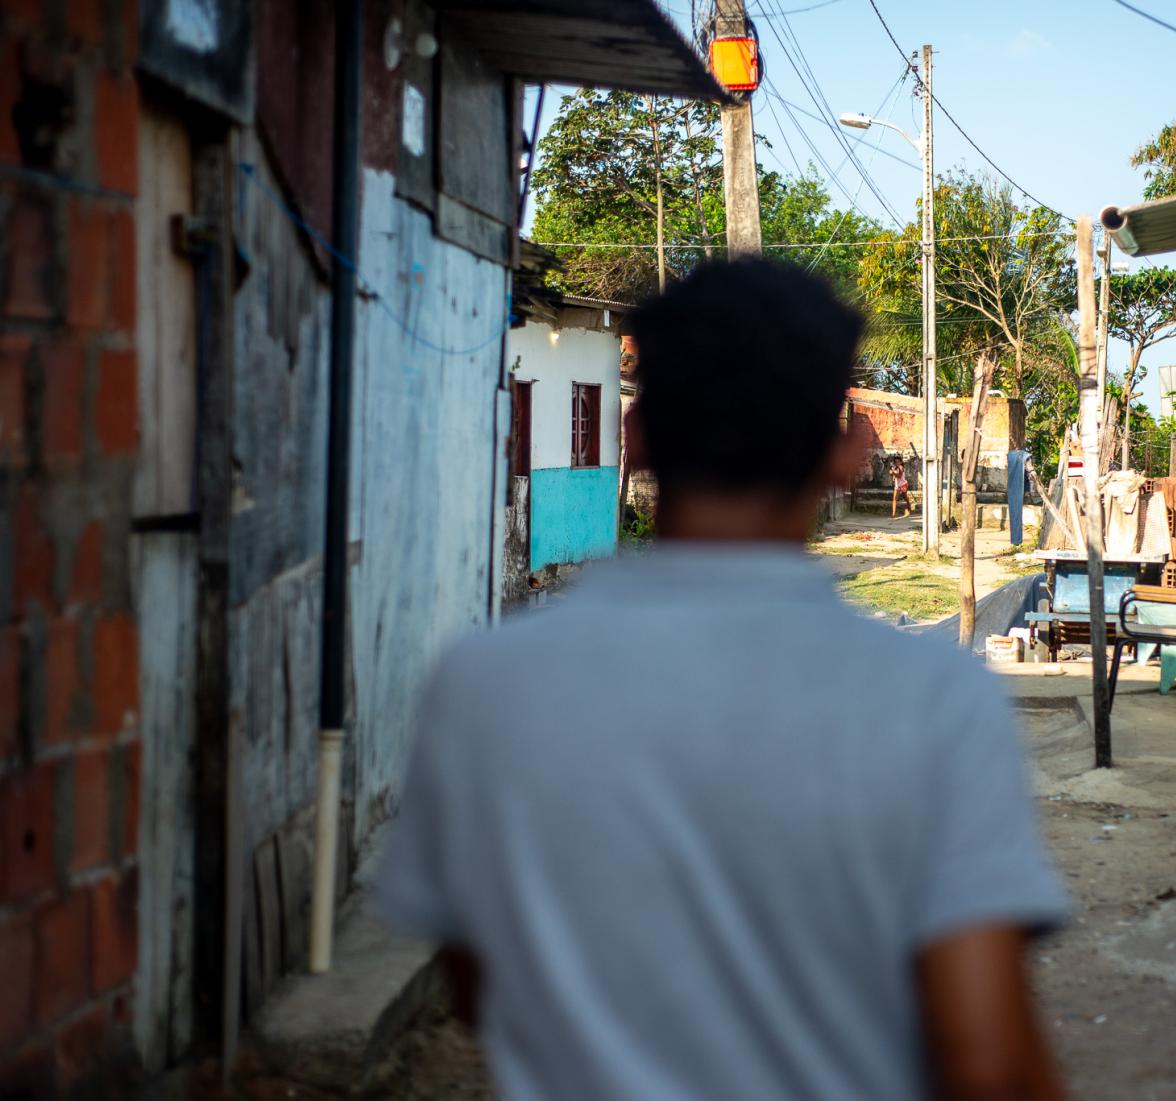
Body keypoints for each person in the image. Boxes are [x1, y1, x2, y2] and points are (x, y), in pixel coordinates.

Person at [377, 259, 1068, 1101]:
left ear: (634, 435)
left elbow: (476, 980)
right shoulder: (934, 700)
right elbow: (988, 1065)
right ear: (849, 454)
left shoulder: (485, 684)